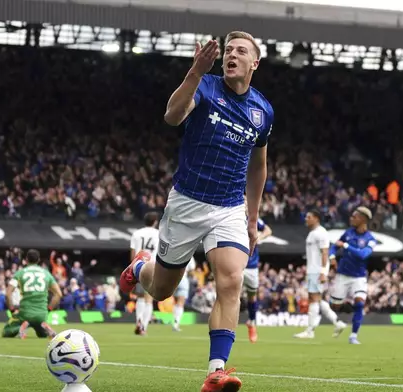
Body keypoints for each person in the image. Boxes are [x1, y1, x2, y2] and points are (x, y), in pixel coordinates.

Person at [119, 31, 273, 392]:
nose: (232, 55)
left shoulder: (263, 110)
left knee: (231, 279)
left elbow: (259, 166)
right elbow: (172, 116)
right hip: (188, 203)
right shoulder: (205, 86)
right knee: (160, 290)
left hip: (230, 207)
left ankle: (216, 371)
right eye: (228, 50)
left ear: (255, 63)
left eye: (241, 51)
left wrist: (252, 220)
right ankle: (141, 265)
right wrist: (193, 72)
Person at [295, 210, 346, 339]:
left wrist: (323, 272)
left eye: (309, 216)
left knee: (313, 299)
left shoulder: (321, 233)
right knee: (318, 299)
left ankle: (310, 331)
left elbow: (325, 253)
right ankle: (338, 322)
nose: (306, 219)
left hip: (317, 271)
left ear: (316, 218)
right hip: (312, 270)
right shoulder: (313, 233)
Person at [329, 206, 376, 345]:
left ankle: (353, 335)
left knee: (360, 304)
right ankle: (346, 308)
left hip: (359, 277)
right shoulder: (348, 233)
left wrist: (346, 246)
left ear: (362, 219)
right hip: (342, 275)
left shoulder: (370, 239)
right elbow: (335, 246)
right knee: (335, 306)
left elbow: (364, 255)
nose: (351, 218)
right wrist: (332, 256)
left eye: (354, 216)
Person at [2, 249, 61, 339]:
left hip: (25, 313)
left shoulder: (20, 273)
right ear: (38, 260)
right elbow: (58, 294)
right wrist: (48, 309)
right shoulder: (46, 274)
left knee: (6, 331)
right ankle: (44, 327)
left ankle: (20, 328)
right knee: (42, 335)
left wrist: (12, 310)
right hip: (42, 314)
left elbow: (8, 293)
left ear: (26, 259)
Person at [242, 195, 272, 343]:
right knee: (230, 294)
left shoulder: (253, 220)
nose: (246, 205)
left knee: (252, 295)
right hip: (236, 263)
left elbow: (268, 230)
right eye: (243, 202)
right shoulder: (231, 217)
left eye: (247, 202)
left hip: (252, 265)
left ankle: (252, 322)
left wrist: (259, 237)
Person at [129, 212, 160, 336]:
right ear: (155, 222)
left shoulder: (136, 234)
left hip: (139, 266)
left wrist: (132, 269)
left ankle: (138, 321)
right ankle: (143, 327)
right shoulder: (159, 234)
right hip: (152, 267)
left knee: (140, 297)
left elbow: (132, 254)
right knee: (149, 299)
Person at [173, 256, 197, 332]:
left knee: (176, 302)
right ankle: (176, 323)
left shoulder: (174, 251)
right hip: (183, 278)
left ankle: (175, 321)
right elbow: (191, 271)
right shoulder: (189, 254)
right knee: (180, 303)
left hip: (172, 279)